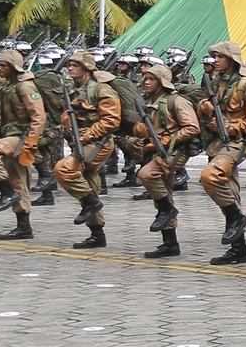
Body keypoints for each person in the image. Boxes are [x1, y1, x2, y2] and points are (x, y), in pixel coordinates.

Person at [193, 44, 246, 265]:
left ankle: (237, 218)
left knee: (210, 176)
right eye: (214, 56)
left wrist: (232, 127)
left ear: (232, 59)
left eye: (220, 56)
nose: (215, 60)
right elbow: (204, 109)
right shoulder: (217, 82)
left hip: (239, 141)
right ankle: (239, 248)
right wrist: (205, 107)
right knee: (228, 191)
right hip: (217, 141)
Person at [51, 51, 123, 250]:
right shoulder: (75, 89)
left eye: (75, 65)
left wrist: (87, 135)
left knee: (65, 169)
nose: (70, 68)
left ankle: (91, 202)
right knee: (88, 185)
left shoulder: (101, 89)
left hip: (98, 142)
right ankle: (97, 234)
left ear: (87, 68)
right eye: (70, 65)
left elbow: (112, 120)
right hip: (81, 142)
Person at [130, 63, 200, 260]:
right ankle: (170, 243)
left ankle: (168, 210)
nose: (147, 82)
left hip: (174, 150)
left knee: (146, 175)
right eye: (146, 78)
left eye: (152, 79)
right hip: (156, 150)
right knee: (162, 194)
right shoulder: (149, 102)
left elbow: (192, 127)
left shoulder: (176, 101)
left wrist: (168, 140)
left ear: (162, 82)